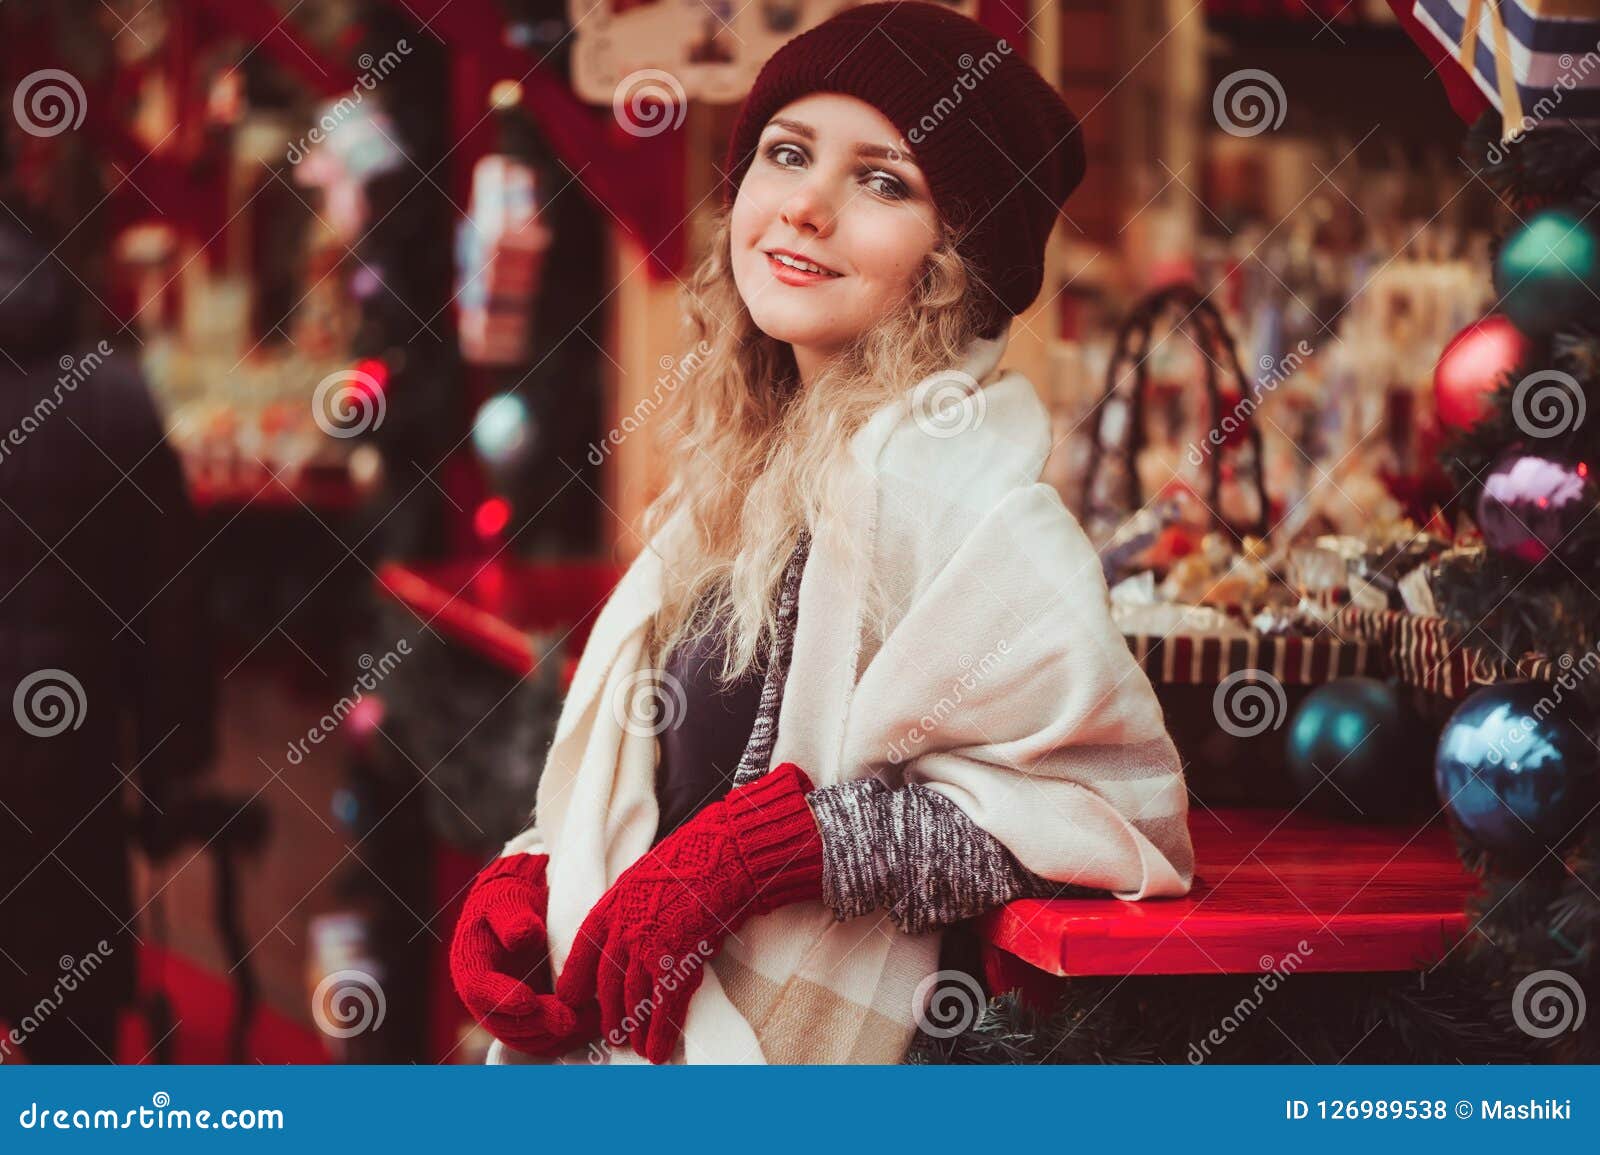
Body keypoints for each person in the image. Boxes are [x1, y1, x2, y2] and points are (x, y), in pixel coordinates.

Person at [450, 0, 1194, 1065]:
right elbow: (667, 785)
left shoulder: (965, 499)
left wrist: (784, 850)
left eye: (882, 180)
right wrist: (540, 882)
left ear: (956, 258)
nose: (804, 205)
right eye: (785, 153)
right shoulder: (733, 478)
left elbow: (1105, 814)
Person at [0, 196, 216, 1062]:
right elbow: (175, 610)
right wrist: (169, 773)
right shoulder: (116, 398)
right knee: (67, 1021)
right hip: (71, 759)